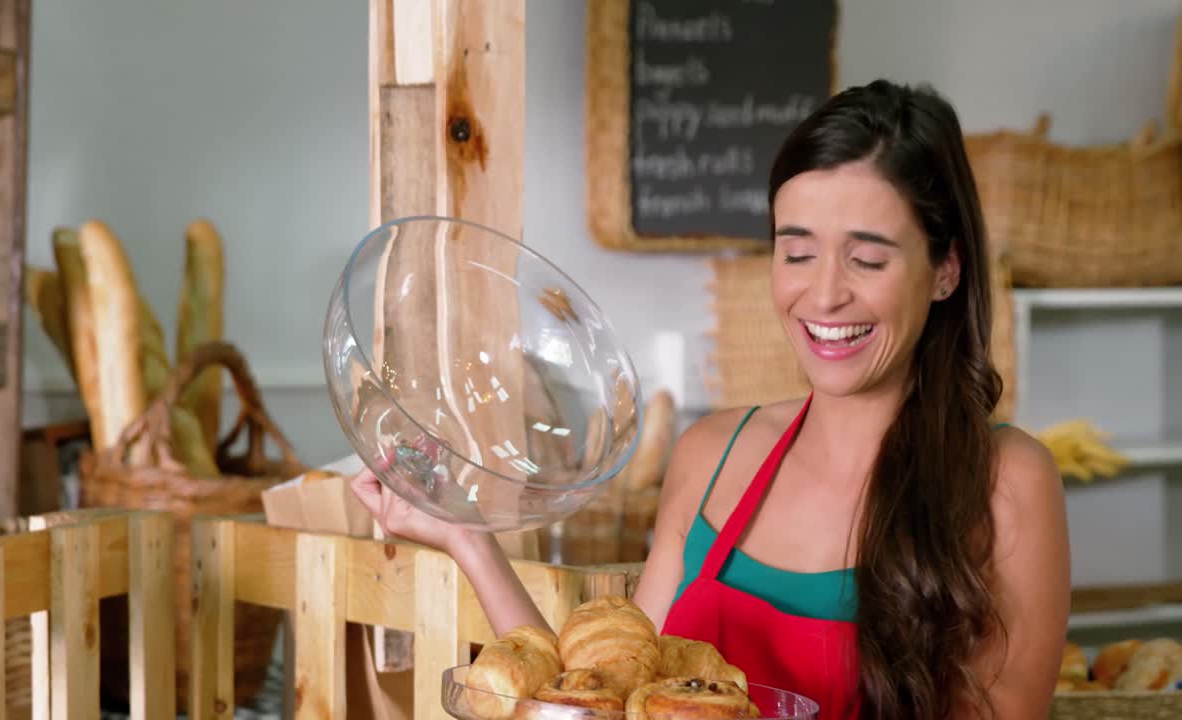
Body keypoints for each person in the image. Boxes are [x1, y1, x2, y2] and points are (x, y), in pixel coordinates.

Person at [350, 79, 1071, 719]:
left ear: (946, 270)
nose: (823, 294)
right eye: (796, 252)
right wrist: (468, 540)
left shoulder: (1007, 482)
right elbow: (603, 693)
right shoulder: (713, 455)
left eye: (867, 258)